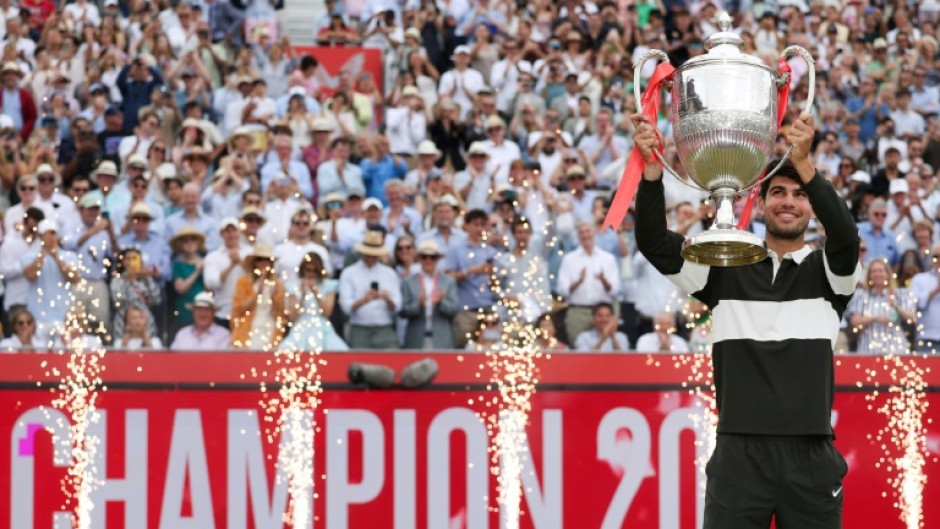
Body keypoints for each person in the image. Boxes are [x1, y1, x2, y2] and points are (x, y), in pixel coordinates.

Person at [633, 112, 860, 529]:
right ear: (761, 202)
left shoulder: (830, 274)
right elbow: (654, 242)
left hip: (810, 456)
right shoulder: (726, 265)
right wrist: (651, 173)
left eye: (800, 194)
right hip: (739, 455)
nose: (788, 202)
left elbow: (846, 236)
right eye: (778, 192)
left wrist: (804, 163)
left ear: (812, 206)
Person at [338, 229, 402, 349]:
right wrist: (364, 300)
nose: (372, 257)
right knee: (358, 360)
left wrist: (387, 299)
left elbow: (397, 306)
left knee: (391, 358)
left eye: (374, 254)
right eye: (369, 253)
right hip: (359, 328)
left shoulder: (389, 273)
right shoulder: (349, 273)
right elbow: (346, 307)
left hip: (384, 327)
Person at [279, 251, 348, 352]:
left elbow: (327, 312)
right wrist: (302, 296)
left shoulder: (328, 285)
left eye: (315, 270)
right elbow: (292, 317)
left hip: (322, 327)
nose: (311, 274)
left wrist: (316, 292)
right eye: (308, 270)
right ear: (303, 269)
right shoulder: (293, 287)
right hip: (300, 328)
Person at [22, 219, 80, 339]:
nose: (51, 237)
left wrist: (56, 256)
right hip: (37, 315)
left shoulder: (70, 256)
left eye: (53, 233)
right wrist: (43, 253)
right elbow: (30, 276)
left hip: (63, 315)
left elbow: (74, 278)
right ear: (40, 236)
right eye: (47, 234)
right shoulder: (29, 256)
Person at [846, 258, 916, 354]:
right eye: (873, 271)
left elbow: (912, 317)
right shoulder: (861, 295)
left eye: (880, 271)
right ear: (869, 276)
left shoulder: (900, 293)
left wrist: (895, 305)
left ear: (887, 273)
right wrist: (875, 318)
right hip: (868, 349)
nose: (877, 274)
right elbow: (855, 322)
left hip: (896, 349)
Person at [400, 240, 458, 349]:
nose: (428, 260)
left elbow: (454, 309)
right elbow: (402, 311)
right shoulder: (409, 282)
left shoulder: (448, 281)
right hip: (416, 338)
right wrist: (418, 305)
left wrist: (441, 302)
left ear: (437, 259)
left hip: (441, 338)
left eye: (432, 257)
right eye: (424, 257)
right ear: (419, 259)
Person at [231, 243, 288, 350]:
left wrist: (273, 297)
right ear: (254, 262)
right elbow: (238, 310)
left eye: (266, 260)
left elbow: (280, 315)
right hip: (247, 329)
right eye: (260, 259)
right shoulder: (244, 281)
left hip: (270, 329)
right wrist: (257, 294)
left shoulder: (278, 284)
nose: (263, 263)